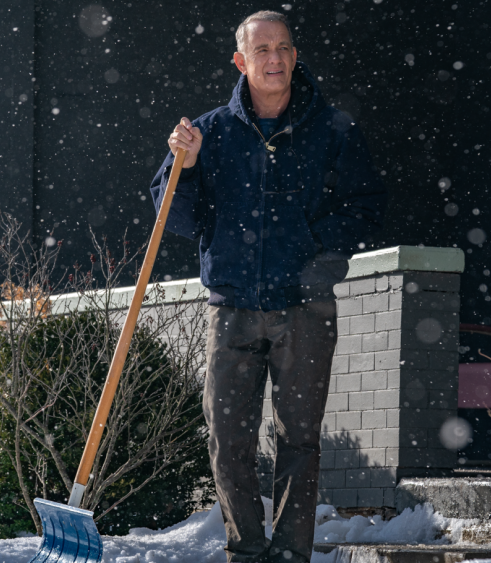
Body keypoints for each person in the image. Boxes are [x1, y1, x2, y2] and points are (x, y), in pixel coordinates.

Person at [149, 10, 386, 563]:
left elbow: (365, 206)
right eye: (262, 50)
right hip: (231, 307)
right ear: (241, 61)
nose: (274, 59)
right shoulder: (209, 132)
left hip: (305, 308)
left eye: (282, 48)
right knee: (227, 439)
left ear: (295, 56)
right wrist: (182, 166)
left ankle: (291, 554)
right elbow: (173, 217)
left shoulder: (332, 128)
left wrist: (317, 259)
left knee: (298, 441)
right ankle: (247, 551)